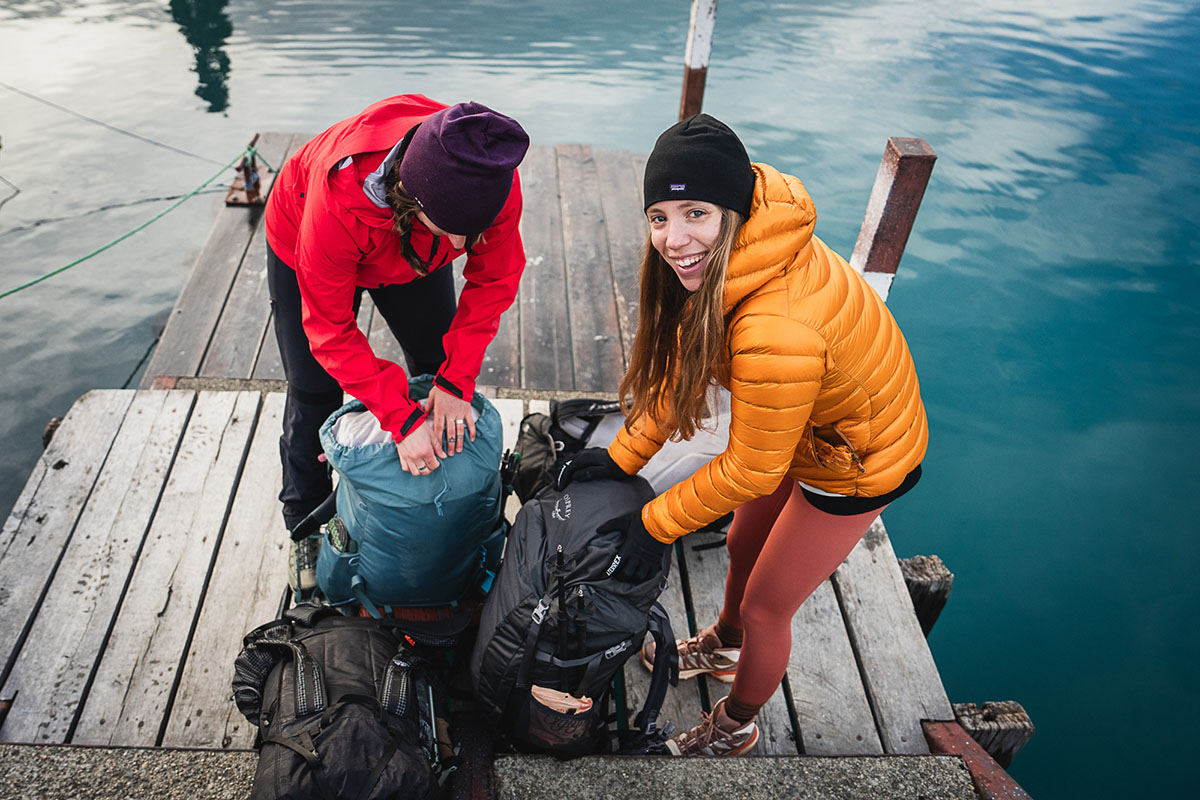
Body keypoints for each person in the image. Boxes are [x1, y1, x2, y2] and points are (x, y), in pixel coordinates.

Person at [556, 114, 927, 756]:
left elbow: (751, 470)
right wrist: (620, 461)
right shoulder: (748, 248)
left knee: (766, 609)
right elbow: (678, 373)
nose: (673, 239)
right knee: (743, 545)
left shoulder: (772, 331)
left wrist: (652, 525)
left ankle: (736, 726)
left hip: (858, 460)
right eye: (660, 217)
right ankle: (723, 649)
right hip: (805, 426)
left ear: (730, 208)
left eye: (694, 212)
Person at [264, 94, 529, 591]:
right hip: (308, 235)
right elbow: (330, 330)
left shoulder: (489, 174)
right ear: (412, 194)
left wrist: (457, 380)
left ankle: (437, 511)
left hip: (413, 250)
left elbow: (495, 278)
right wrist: (400, 419)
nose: (459, 249)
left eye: (470, 236)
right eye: (454, 232)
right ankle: (305, 522)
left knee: (435, 368)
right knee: (313, 391)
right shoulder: (337, 194)